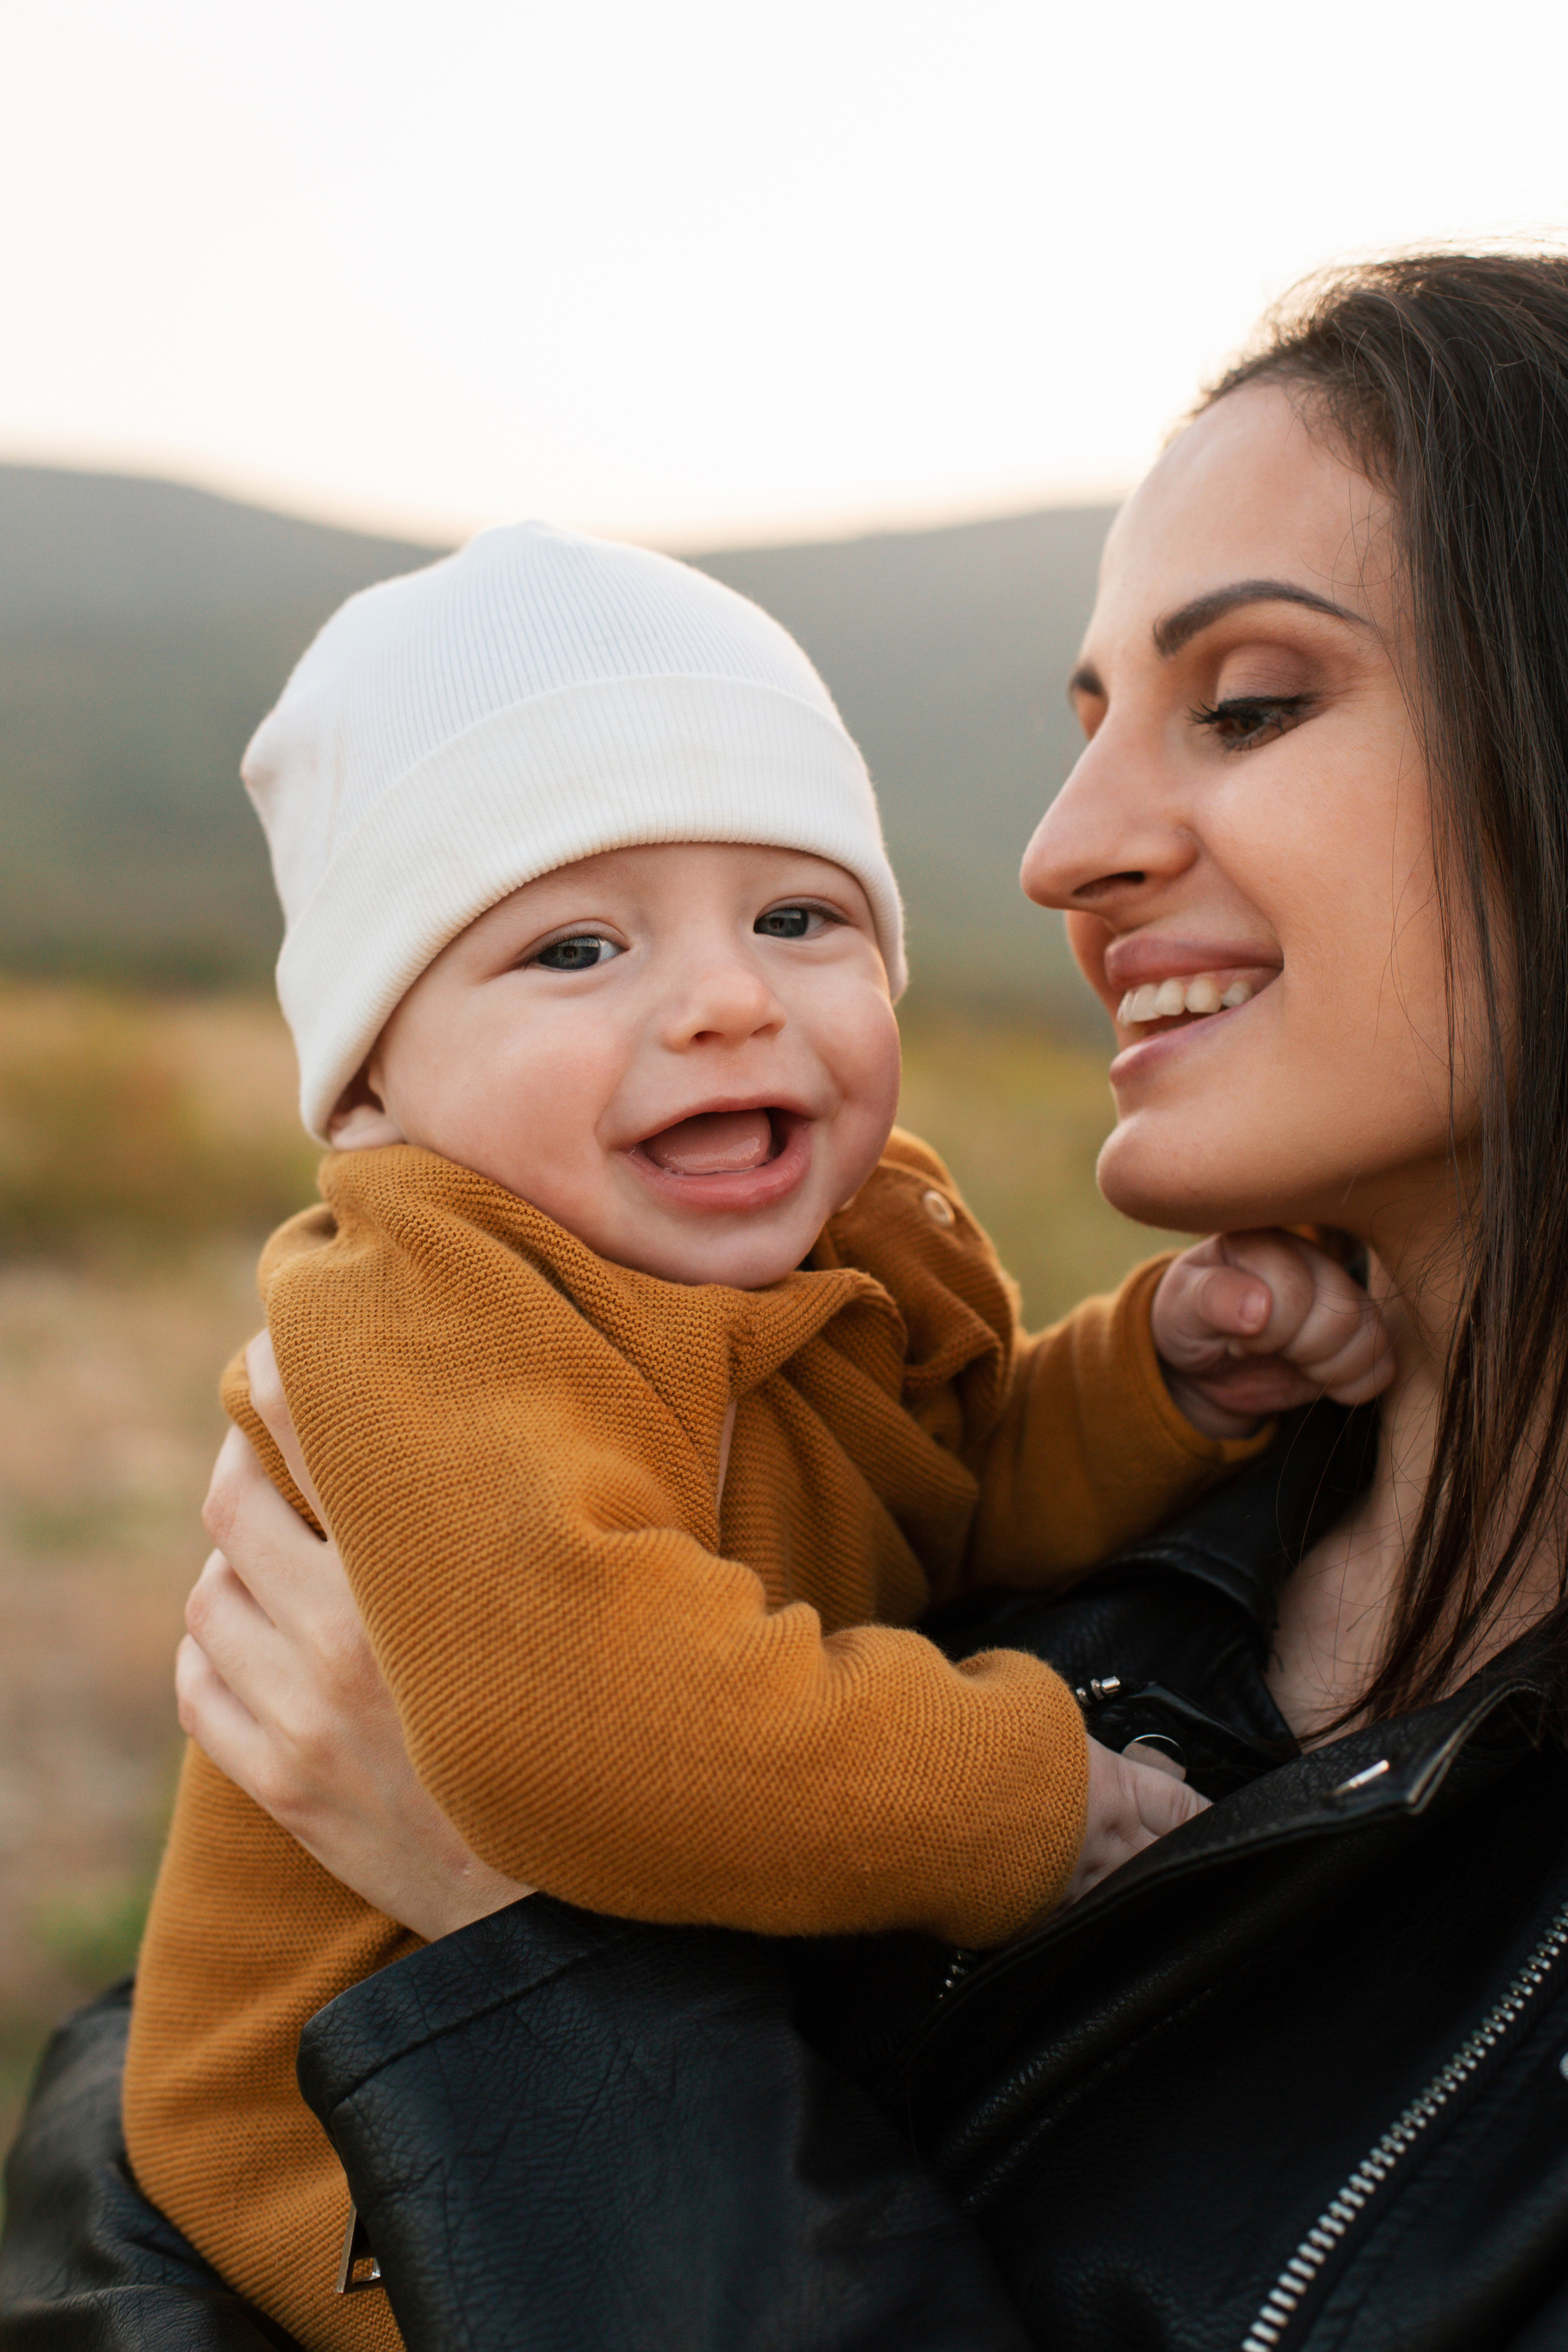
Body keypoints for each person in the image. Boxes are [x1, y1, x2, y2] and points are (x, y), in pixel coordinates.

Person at [8, 249, 1568, 2352]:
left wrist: (1153, 1378)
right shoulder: (428, 1301)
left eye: (800, 917)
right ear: (373, 1090)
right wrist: (1038, 1797)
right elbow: (581, 1718)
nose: (1060, 848)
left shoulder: (864, 1249)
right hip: (340, 2185)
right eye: (575, 950)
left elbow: (966, 1474)